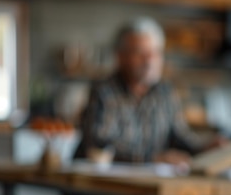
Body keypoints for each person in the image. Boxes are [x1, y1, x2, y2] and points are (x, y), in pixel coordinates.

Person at [77, 17, 223, 168]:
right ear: (120, 57)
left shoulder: (165, 92)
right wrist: (152, 159)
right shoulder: (104, 91)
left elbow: (179, 137)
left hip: (152, 181)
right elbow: (100, 146)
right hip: (106, 185)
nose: (150, 60)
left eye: (156, 52)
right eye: (140, 53)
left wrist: (204, 148)